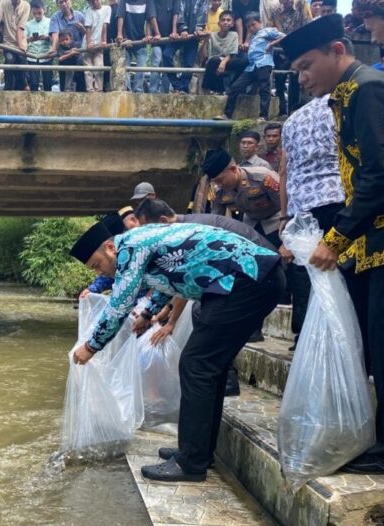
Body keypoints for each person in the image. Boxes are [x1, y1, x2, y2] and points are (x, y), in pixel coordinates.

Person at [70, 214, 284, 482]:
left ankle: (191, 462)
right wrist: (148, 314)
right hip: (249, 280)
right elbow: (166, 278)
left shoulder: (130, 248)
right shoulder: (140, 242)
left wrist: (91, 347)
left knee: (197, 365)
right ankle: (198, 451)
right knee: (208, 367)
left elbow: (119, 304)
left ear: (110, 248)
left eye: (97, 264)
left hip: (247, 279)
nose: (99, 272)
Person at [281, 12, 384, 473]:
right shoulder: (343, 98)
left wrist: (336, 238)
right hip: (368, 243)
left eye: (307, 65)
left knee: (381, 346)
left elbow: (378, 175)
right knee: (367, 342)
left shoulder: (367, 91)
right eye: (297, 70)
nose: (302, 78)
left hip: (376, 240)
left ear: (337, 51)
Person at [134, 197, 277, 396]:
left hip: (260, 272)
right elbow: (176, 284)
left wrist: (170, 323)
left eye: (146, 229)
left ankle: (224, 382)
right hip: (249, 272)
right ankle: (222, 381)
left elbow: (185, 283)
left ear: (164, 221)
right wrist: (153, 313)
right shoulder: (182, 229)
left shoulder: (185, 235)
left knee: (197, 355)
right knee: (203, 320)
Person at [277, 95, 344, 349]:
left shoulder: (291, 122)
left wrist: (286, 215)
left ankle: (305, 336)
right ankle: (340, 337)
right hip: (338, 197)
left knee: (304, 272)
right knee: (340, 270)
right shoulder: (341, 105)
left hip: (302, 207)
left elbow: (285, 171)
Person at [216, 12, 285, 121]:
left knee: (264, 90)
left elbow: (284, 36)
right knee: (235, 87)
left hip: (264, 64)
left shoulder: (267, 31)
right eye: (249, 26)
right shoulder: (253, 37)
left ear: (260, 22)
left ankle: (263, 116)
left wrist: (271, 44)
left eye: (253, 24)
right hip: (251, 67)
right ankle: (227, 115)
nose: (251, 28)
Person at [268, 0, 310, 115]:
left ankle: (293, 110)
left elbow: (306, 30)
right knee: (279, 82)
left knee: (296, 79)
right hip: (281, 50)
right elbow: (272, 31)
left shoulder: (302, 7)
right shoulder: (275, 11)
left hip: (297, 49)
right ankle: (281, 110)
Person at [162, 0, 207, 94]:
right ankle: (176, 85)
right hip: (178, 34)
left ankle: (183, 88)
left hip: (193, 36)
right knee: (166, 54)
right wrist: (182, 28)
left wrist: (198, 29)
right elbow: (179, 10)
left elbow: (203, 13)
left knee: (189, 63)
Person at [116, 0, 158, 94]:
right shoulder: (124, 1)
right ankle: (126, 89)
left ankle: (138, 89)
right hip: (126, 39)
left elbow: (151, 17)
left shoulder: (147, 1)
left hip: (140, 39)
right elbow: (120, 17)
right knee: (125, 65)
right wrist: (120, 35)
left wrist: (150, 34)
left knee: (141, 66)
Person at [0, 0, 30, 91]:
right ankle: (8, 87)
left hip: (21, 41)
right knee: (10, 60)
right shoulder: (3, 3)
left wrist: (20, 45)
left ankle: (24, 84)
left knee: (22, 60)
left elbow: (20, 27)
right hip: (8, 43)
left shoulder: (26, 6)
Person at [201, 9, 244, 93]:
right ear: (219, 23)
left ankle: (233, 87)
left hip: (227, 61)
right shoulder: (212, 35)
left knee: (244, 62)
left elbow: (232, 53)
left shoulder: (234, 35)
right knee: (215, 60)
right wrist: (205, 41)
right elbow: (205, 56)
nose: (225, 22)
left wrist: (223, 62)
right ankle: (206, 88)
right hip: (214, 62)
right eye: (223, 20)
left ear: (232, 24)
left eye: (228, 20)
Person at [49, 0, 86, 91]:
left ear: (70, 1)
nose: (64, 4)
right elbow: (55, 35)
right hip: (64, 55)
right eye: (61, 2)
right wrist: (53, 48)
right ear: (57, 4)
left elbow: (87, 35)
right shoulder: (55, 17)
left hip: (78, 55)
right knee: (64, 82)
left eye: (65, 1)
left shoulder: (80, 16)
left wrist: (82, 28)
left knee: (80, 81)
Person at [83, 0, 110, 92]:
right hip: (88, 43)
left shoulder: (107, 9)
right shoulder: (89, 11)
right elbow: (88, 28)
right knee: (88, 68)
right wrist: (88, 42)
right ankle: (90, 89)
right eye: (91, 2)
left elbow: (104, 25)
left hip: (99, 44)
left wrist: (104, 40)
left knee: (99, 66)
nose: (94, 3)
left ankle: (99, 89)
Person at [25, 0, 52, 91]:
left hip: (47, 55)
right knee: (33, 84)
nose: (37, 15)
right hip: (32, 56)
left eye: (39, 13)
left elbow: (55, 38)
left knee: (48, 83)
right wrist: (31, 39)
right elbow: (24, 40)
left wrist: (47, 38)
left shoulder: (50, 22)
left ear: (44, 10)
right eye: (34, 13)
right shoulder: (28, 24)